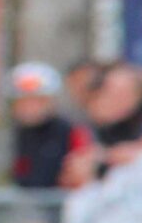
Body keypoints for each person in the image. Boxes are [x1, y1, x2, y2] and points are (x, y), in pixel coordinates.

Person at [7, 62, 85, 190]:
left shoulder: (70, 131)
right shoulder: (16, 133)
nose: (28, 108)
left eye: (36, 100)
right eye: (23, 101)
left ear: (50, 102)